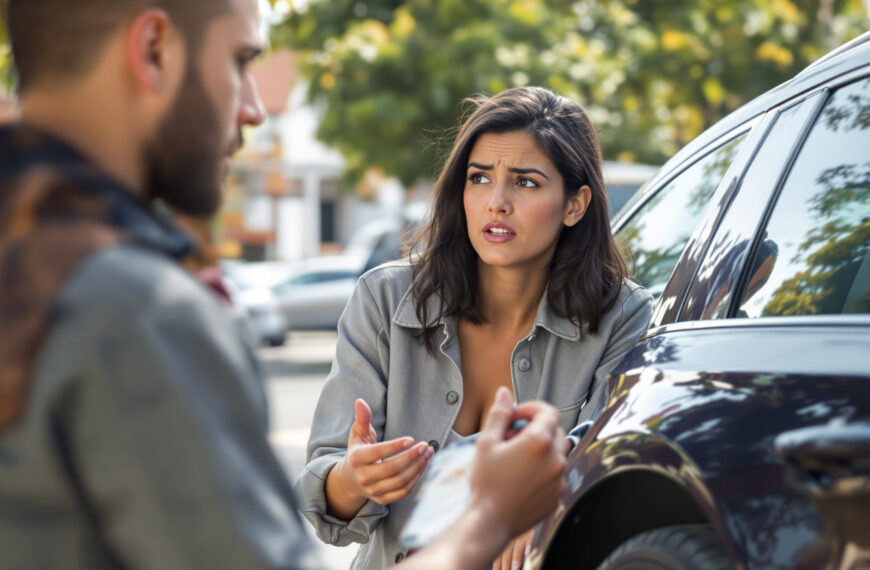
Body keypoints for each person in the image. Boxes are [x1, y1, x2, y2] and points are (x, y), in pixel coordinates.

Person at [0, 1, 568, 569]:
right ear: (153, 49)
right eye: (239, 60)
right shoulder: (137, 307)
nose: (253, 110)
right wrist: (493, 515)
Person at [298, 87, 654, 569]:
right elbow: (327, 508)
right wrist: (353, 479)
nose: (497, 202)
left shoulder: (624, 317)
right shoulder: (382, 299)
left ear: (575, 204)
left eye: (526, 182)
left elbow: (608, 478)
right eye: (480, 178)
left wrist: (544, 508)